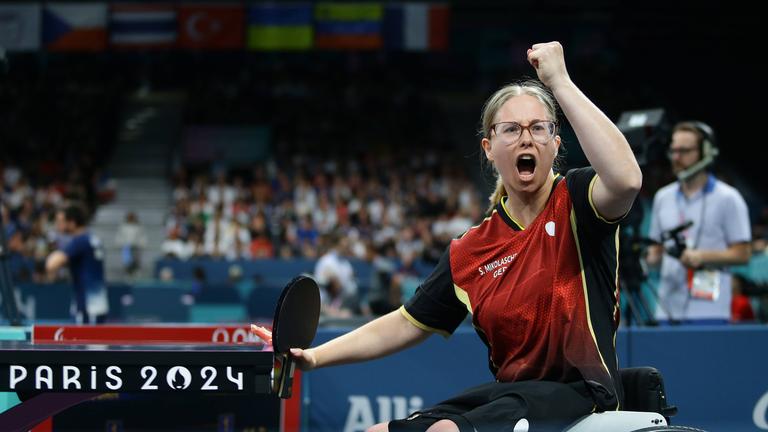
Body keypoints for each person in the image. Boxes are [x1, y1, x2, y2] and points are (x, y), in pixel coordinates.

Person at [252, 41, 642, 431]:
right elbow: (406, 323)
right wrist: (316, 357)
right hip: (510, 397)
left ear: (555, 144)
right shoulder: (471, 249)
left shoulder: (577, 201)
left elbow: (626, 179)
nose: (526, 138)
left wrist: (560, 82)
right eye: (511, 129)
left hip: (582, 394)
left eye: (538, 128)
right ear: (489, 148)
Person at [646, 121, 751, 323]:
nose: (676, 158)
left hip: (710, 311)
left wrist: (701, 256)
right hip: (667, 310)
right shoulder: (662, 197)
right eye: (673, 151)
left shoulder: (728, 198)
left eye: (684, 151)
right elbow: (654, 253)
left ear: (706, 152)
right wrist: (650, 257)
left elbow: (743, 254)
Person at [45, 203, 108, 324]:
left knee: (84, 336)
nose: (59, 226)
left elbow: (51, 264)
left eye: (62, 221)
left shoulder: (80, 241)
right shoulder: (92, 239)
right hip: (97, 304)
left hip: (87, 307)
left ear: (72, 223)